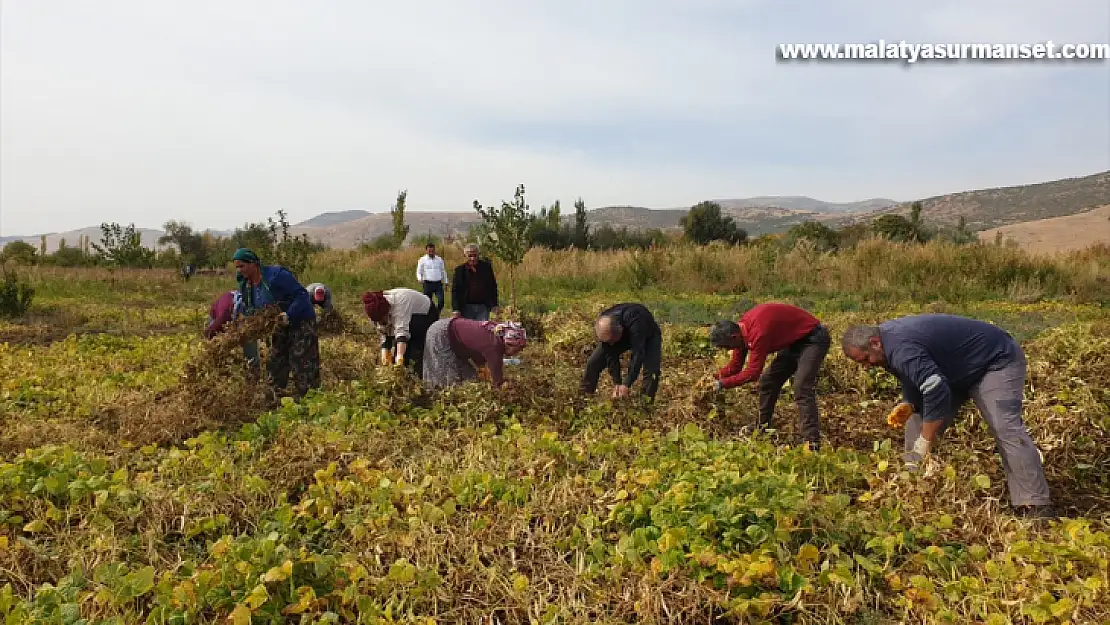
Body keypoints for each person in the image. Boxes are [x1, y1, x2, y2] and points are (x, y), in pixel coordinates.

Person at [841, 314, 1055, 519]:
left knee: (1004, 426)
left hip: (994, 361)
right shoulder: (886, 347)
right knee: (915, 421)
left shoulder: (899, 346)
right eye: (863, 364)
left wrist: (926, 440)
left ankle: (1034, 504)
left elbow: (936, 390)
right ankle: (912, 489)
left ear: (874, 342)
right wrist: (909, 402)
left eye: (866, 359)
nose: (867, 367)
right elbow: (913, 374)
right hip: (953, 369)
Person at [707, 302, 831, 449]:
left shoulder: (758, 332)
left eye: (727, 347)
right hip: (794, 342)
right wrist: (712, 377)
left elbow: (753, 373)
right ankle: (763, 427)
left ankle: (812, 442)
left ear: (734, 337)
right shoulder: (741, 332)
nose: (729, 350)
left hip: (813, 339)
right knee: (768, 381)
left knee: (801, 387)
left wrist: (722, 384)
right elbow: (735, 366)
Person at [232, 248, 321, 400]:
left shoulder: (275, 275)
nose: (240, 270)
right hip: (278, 325)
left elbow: (301, 295)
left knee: (301, 360)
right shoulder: (247, 286)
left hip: (300, 321)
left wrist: (289, 315)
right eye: (237, 267)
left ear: (253, 264)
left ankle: (310, 399)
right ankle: (275, 398)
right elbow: (251, 309)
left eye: (242, 266)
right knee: (276, 361)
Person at [580, 303, 662, 401]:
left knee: (652, 371)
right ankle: (584, 399)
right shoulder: (604, 325)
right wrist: (617, 383)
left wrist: (626, 384)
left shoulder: (636, 323)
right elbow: (610, 354)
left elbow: (638, 354)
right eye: (607, 342)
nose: (611, 345)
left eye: (612, 341)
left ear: (620, 330)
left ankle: (645, 405)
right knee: (593, 363)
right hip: (615, 333)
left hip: (649, 335)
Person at [422, 317, 528, 390]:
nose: (519, 352)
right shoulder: (494, 346)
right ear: (510, 343)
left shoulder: (497, 334)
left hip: (455, 339)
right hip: (441, 334)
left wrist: (481, 368)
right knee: (446, 376)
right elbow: (498, 381)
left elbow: (477, 348)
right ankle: (434, 396)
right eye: (518, 348)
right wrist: (502, 388)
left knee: (470, 377)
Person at [362, 287, 440, 373]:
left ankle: (418, 369)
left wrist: (399, 358)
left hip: (425, 315)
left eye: (382, 319)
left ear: (386, 311)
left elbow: (402, 332)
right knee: (397, 352)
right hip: (406, 319)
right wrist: (385, 356)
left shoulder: (400, 303)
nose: (381, 322)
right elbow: (384, 333)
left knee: (412, 352)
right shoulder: (373, 313)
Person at [204, 289, 260, 370]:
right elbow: (210, 333)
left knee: (249, 344)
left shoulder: (249, 306)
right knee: (219, 350)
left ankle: (253, 374)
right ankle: (220, 369)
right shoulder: (224, 316)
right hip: (217, 314)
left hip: (241, 316)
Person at [451, 244, 499, 321]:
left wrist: (495, 304)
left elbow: (492, 286)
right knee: (468, 330)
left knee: (482, 329)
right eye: (470, 256)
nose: (472, 258)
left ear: (478, 255)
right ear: (465, 256)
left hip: (483, 306)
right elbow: (455, 291)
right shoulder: (460, 270)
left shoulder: (486, 267)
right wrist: (456, 309)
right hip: (466, 306)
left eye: (475, 255)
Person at [416, 243, 449, 312]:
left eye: (432, 251)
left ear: (434, 250)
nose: (431, 253)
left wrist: (446, 282)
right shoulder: (422, 260)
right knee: (427, 302)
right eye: (429, 251)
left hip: (438, 283)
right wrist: (419, 278)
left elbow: (443, 271)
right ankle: (429, 315)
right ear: (426, 251)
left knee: (441, 301)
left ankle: (437, 312)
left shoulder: (439, 259)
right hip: (428, 283)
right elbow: (419, 271)